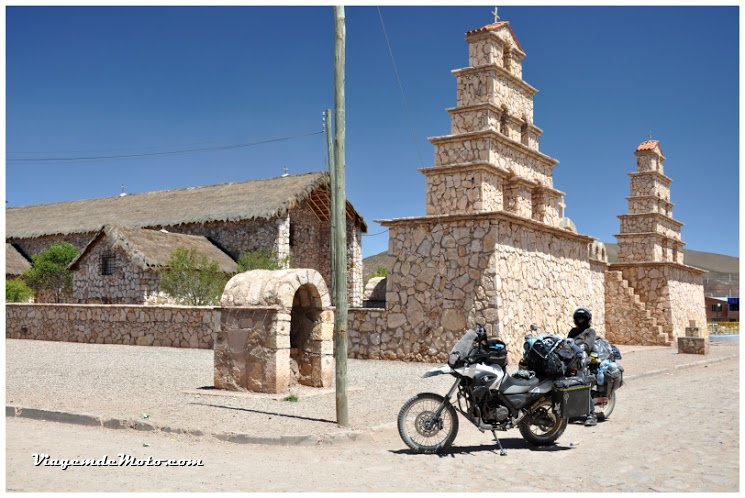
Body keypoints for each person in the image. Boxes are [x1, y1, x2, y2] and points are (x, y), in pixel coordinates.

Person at [568, 307, 598, 426]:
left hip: (585, 359)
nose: (580, 320)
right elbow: (567, 341)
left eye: (582, 318)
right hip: (571, 358)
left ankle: (591, 414)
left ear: (587, 319)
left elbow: (588, 345)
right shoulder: (573, 331)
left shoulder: (590, 332)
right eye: (578, 318)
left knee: (581, 383)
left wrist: (581, 348)